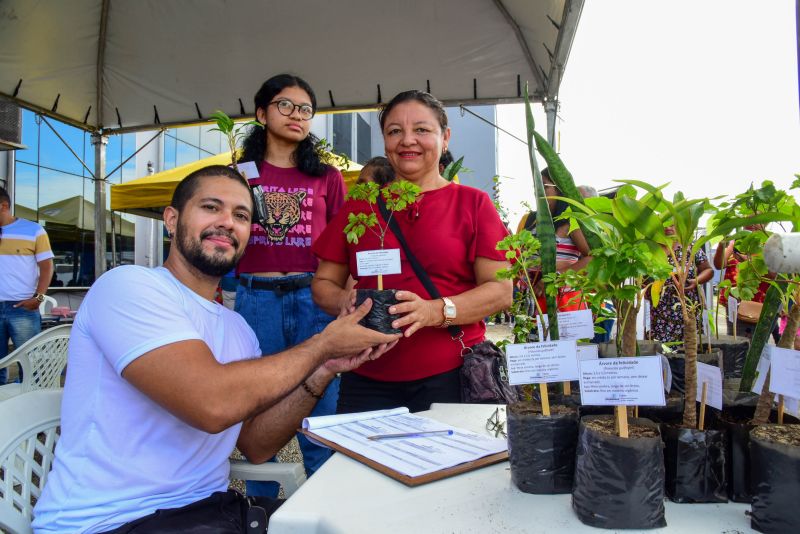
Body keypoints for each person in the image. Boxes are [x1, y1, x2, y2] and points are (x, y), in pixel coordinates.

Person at [32, 165, 398, 533]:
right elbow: (211, 404)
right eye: (211, 207)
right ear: (171, 220)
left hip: (209, 513)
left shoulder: (237, 328)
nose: (227, 222)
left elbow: (255, 444)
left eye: (241, 215)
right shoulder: (128, 286)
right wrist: (321, 345)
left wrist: (325, 368)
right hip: (113, 521)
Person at [312, 90, 513, 414]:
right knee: (363, 464)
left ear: (445, 138)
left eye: (421, 129)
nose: (407, 140)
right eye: (395, 131)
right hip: (366, 377)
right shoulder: (360, 207)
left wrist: (435, 311)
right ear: (385, 140)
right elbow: (323, 282)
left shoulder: (473, 203)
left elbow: (501, 291)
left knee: (450, 465)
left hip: (450, 375)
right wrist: (341, 301)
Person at [235, 74, 346, 497]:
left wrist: (342, 298)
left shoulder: (327, 178)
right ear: (262, 113)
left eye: (304, 109)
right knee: (258, 407)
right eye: (285, 106)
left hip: (313, 298)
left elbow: (343, 244)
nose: (296, 115)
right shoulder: (242, 172)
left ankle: (325, 511)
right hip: (254, 297)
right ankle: (258, 514)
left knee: (321, 415)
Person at [516, 169, 593, 313]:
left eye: (544, 186)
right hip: (531, 302)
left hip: (565, 302)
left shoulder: (571, 221)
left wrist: (556, 278)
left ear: (559, 190)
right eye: (535, 187)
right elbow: (517, 259)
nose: (537, 191)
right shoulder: (528, 220)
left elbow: (592, 259)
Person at [0, 186, 54, 384]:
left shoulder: (33, 230)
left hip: (22, 308)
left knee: (31, 365)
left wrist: (38, 298)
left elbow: (47, 266)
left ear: (3, 206)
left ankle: (31, 408)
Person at [649, 226, 714, 344]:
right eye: (664, 223)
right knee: (663, 349)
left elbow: (708, 270)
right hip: (661, 312)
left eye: (673, 224)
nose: (668, 227)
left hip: (689, 307)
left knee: (691, 347)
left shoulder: (690, 247)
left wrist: (696, 281)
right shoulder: (652, 249)